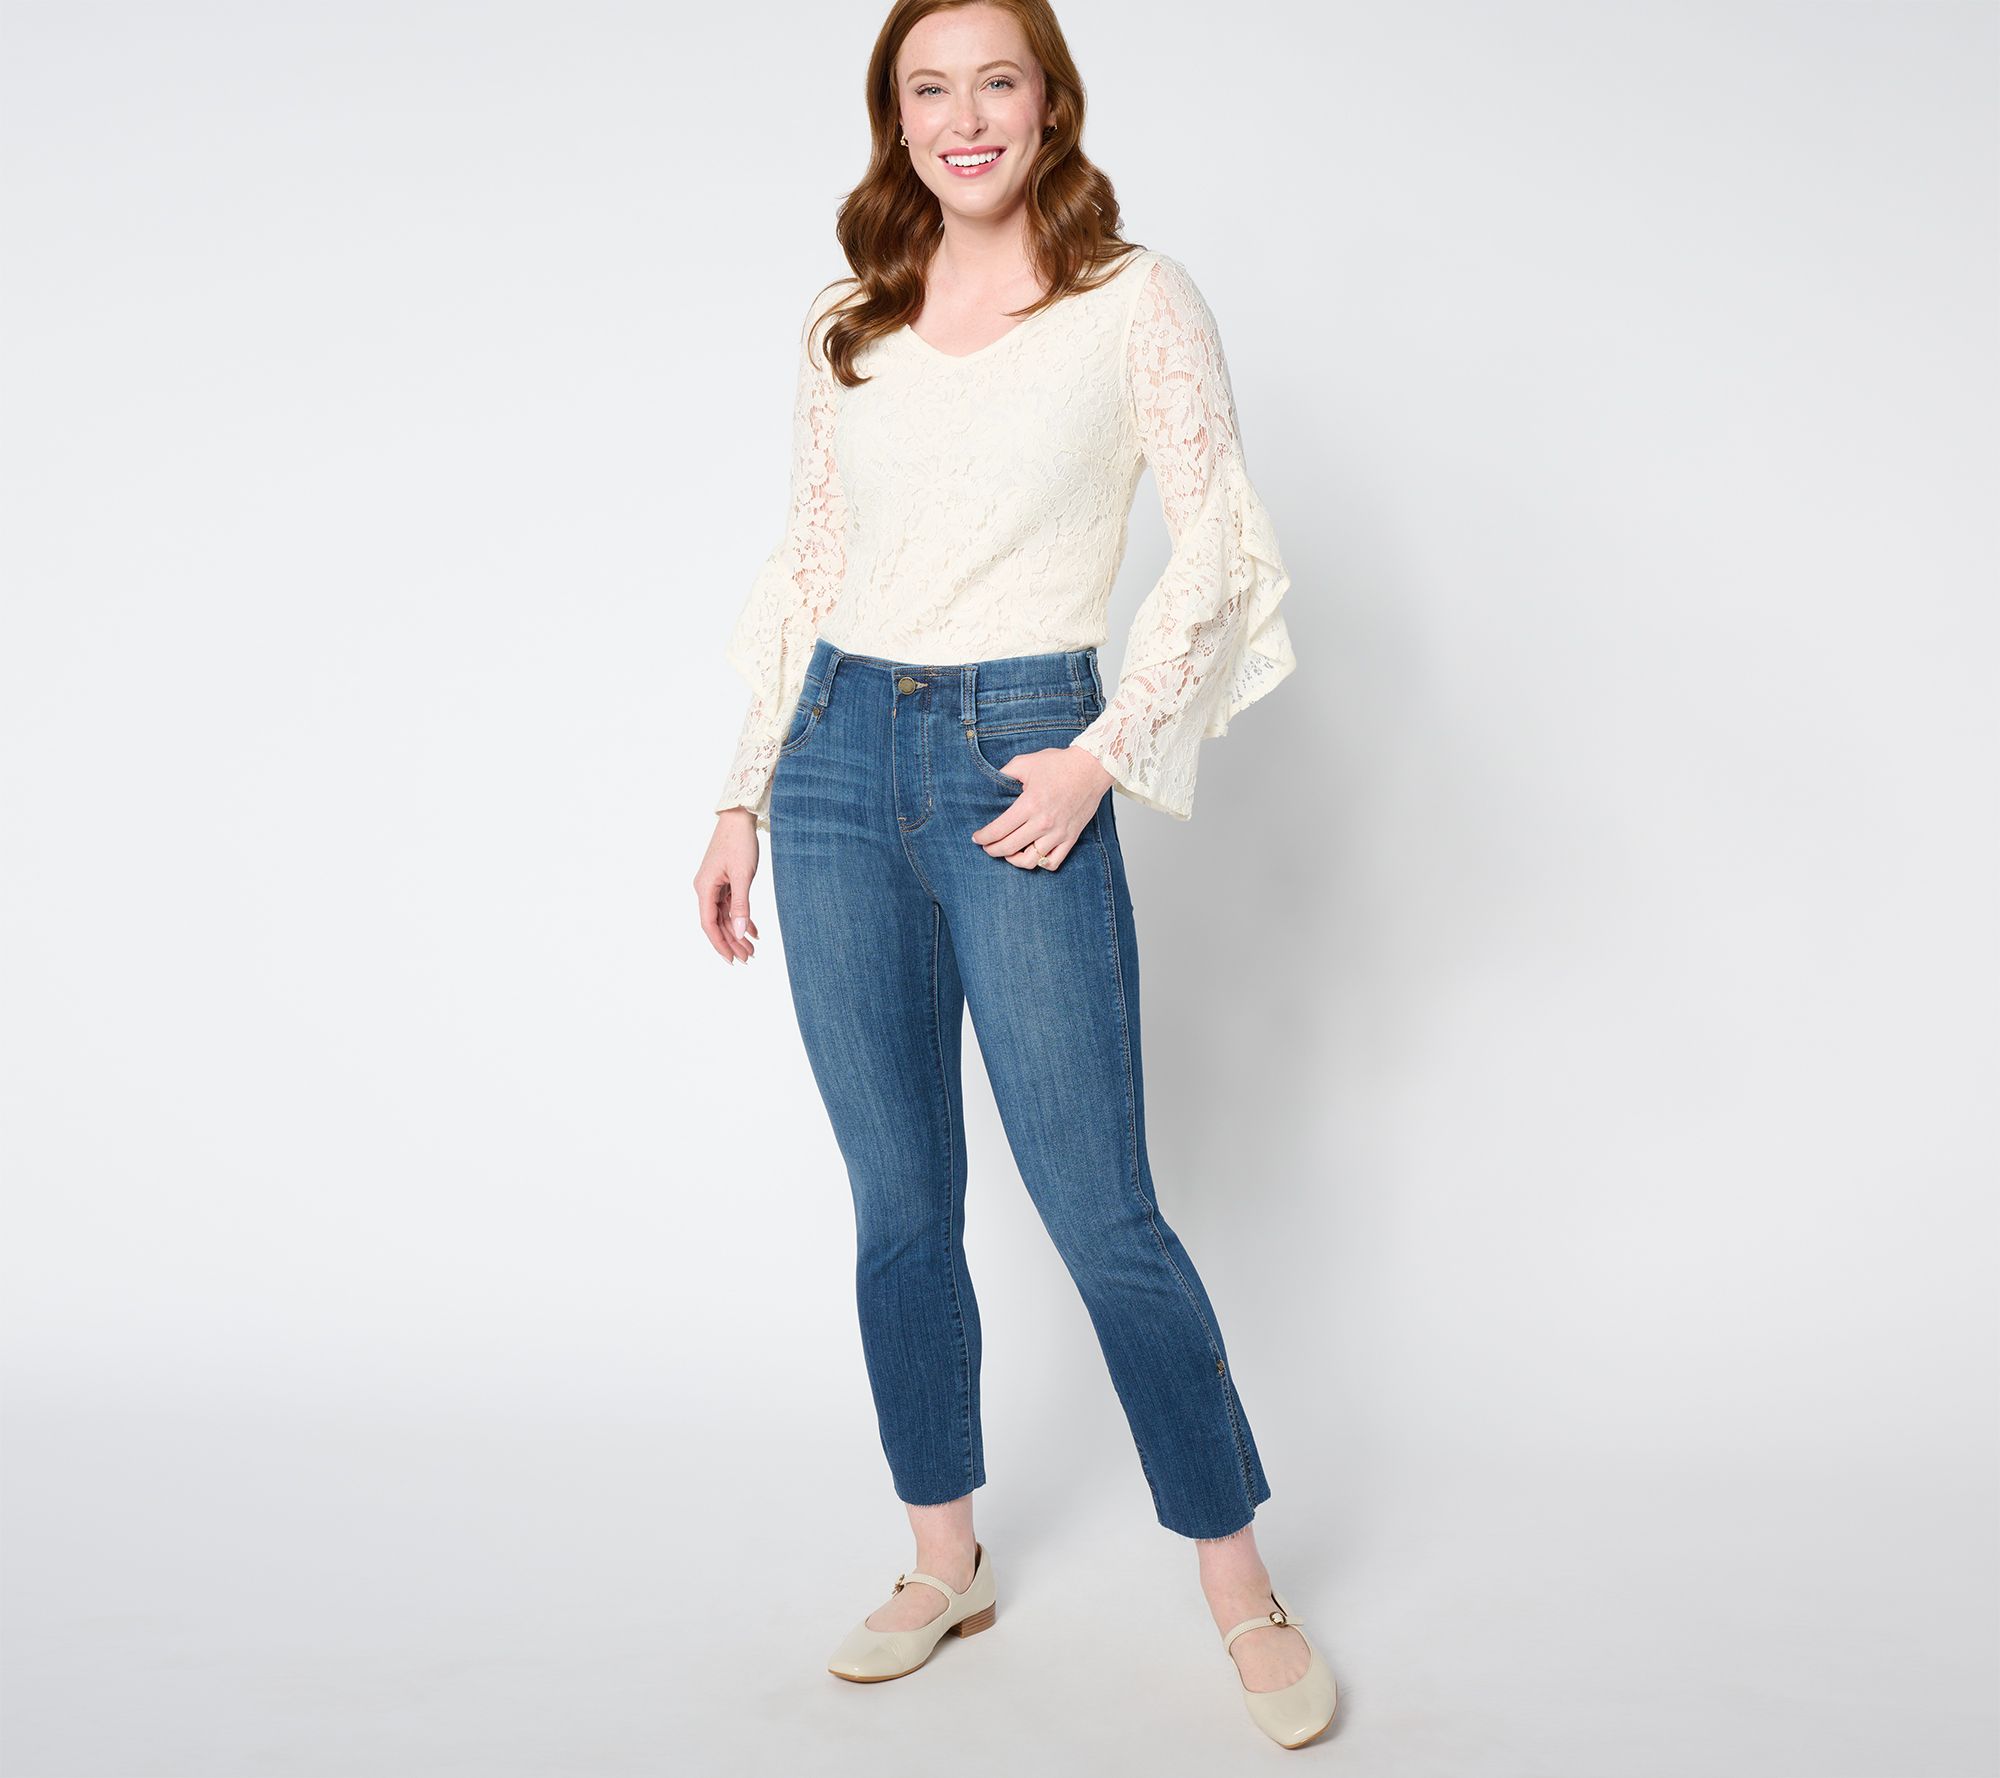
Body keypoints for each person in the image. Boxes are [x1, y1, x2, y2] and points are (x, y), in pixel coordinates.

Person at [692, 0, 1336, 1748]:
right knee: (898, 1199)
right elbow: (807, 565)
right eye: (929, 88)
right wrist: (743, 793)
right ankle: (943, 1558)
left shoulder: (1136, 302)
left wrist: (1104, 749)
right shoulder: (849, 324)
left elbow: (1220, 539)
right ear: (895, 117)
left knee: (1100, 1206)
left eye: (996, 81)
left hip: (1024, 747)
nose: (963, 115)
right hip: (836, 759)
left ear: (1051, 104)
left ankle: (1240, 1582)